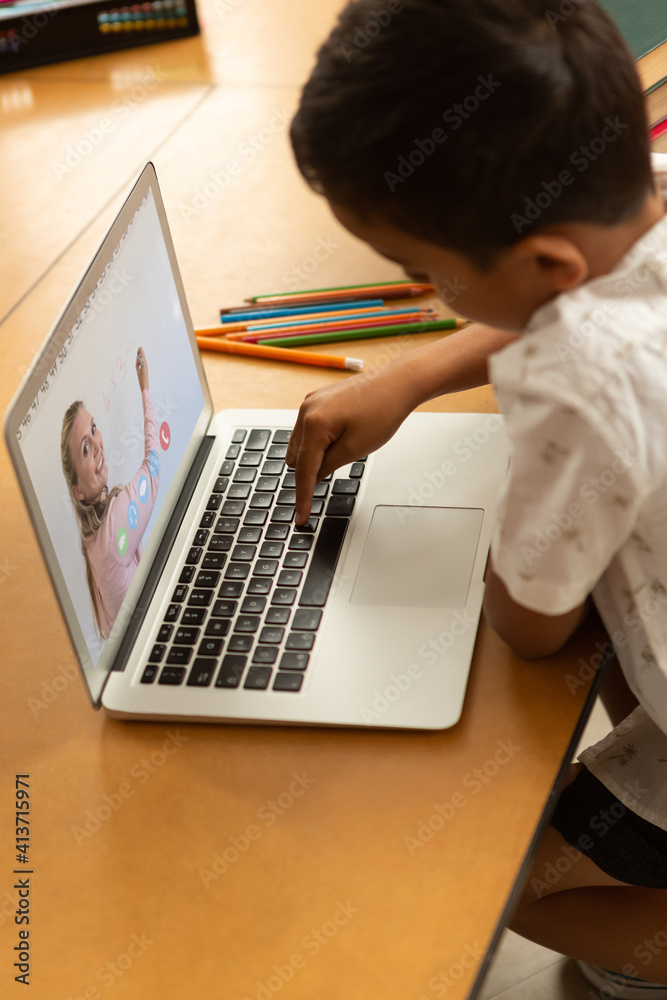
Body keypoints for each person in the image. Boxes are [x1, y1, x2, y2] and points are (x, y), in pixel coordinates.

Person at [284, 0, 667, 994]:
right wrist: (411, 378)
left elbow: (533, 624)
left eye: (428, 275)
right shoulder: (646, 202)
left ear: (543, 263)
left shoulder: (574, 385)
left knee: (503, 875)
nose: (432, 293)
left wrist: (505, 543)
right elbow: (589, 290)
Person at [61, 347, 160, 641]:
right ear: (77, 491)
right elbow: (153, 465)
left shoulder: (91, 538)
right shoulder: (114, 527)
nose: (97, 444)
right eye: (86, 449)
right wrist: (145, 388)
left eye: (94, 429)